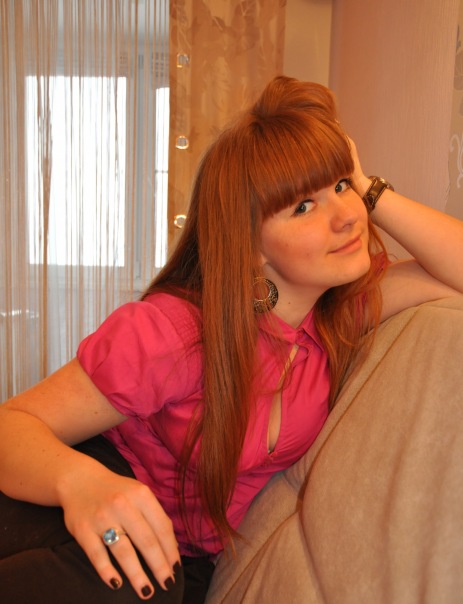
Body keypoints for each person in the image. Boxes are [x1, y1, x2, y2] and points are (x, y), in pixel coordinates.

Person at [0, 75, 462, 604]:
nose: (346, 217)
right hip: (82, 503)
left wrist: (368, 187)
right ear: (250, 245)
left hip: (181, 561)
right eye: (303, 207)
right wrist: (81, 483)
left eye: (340, 186)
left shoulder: (338, 317)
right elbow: (13, 425)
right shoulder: (174, 333)